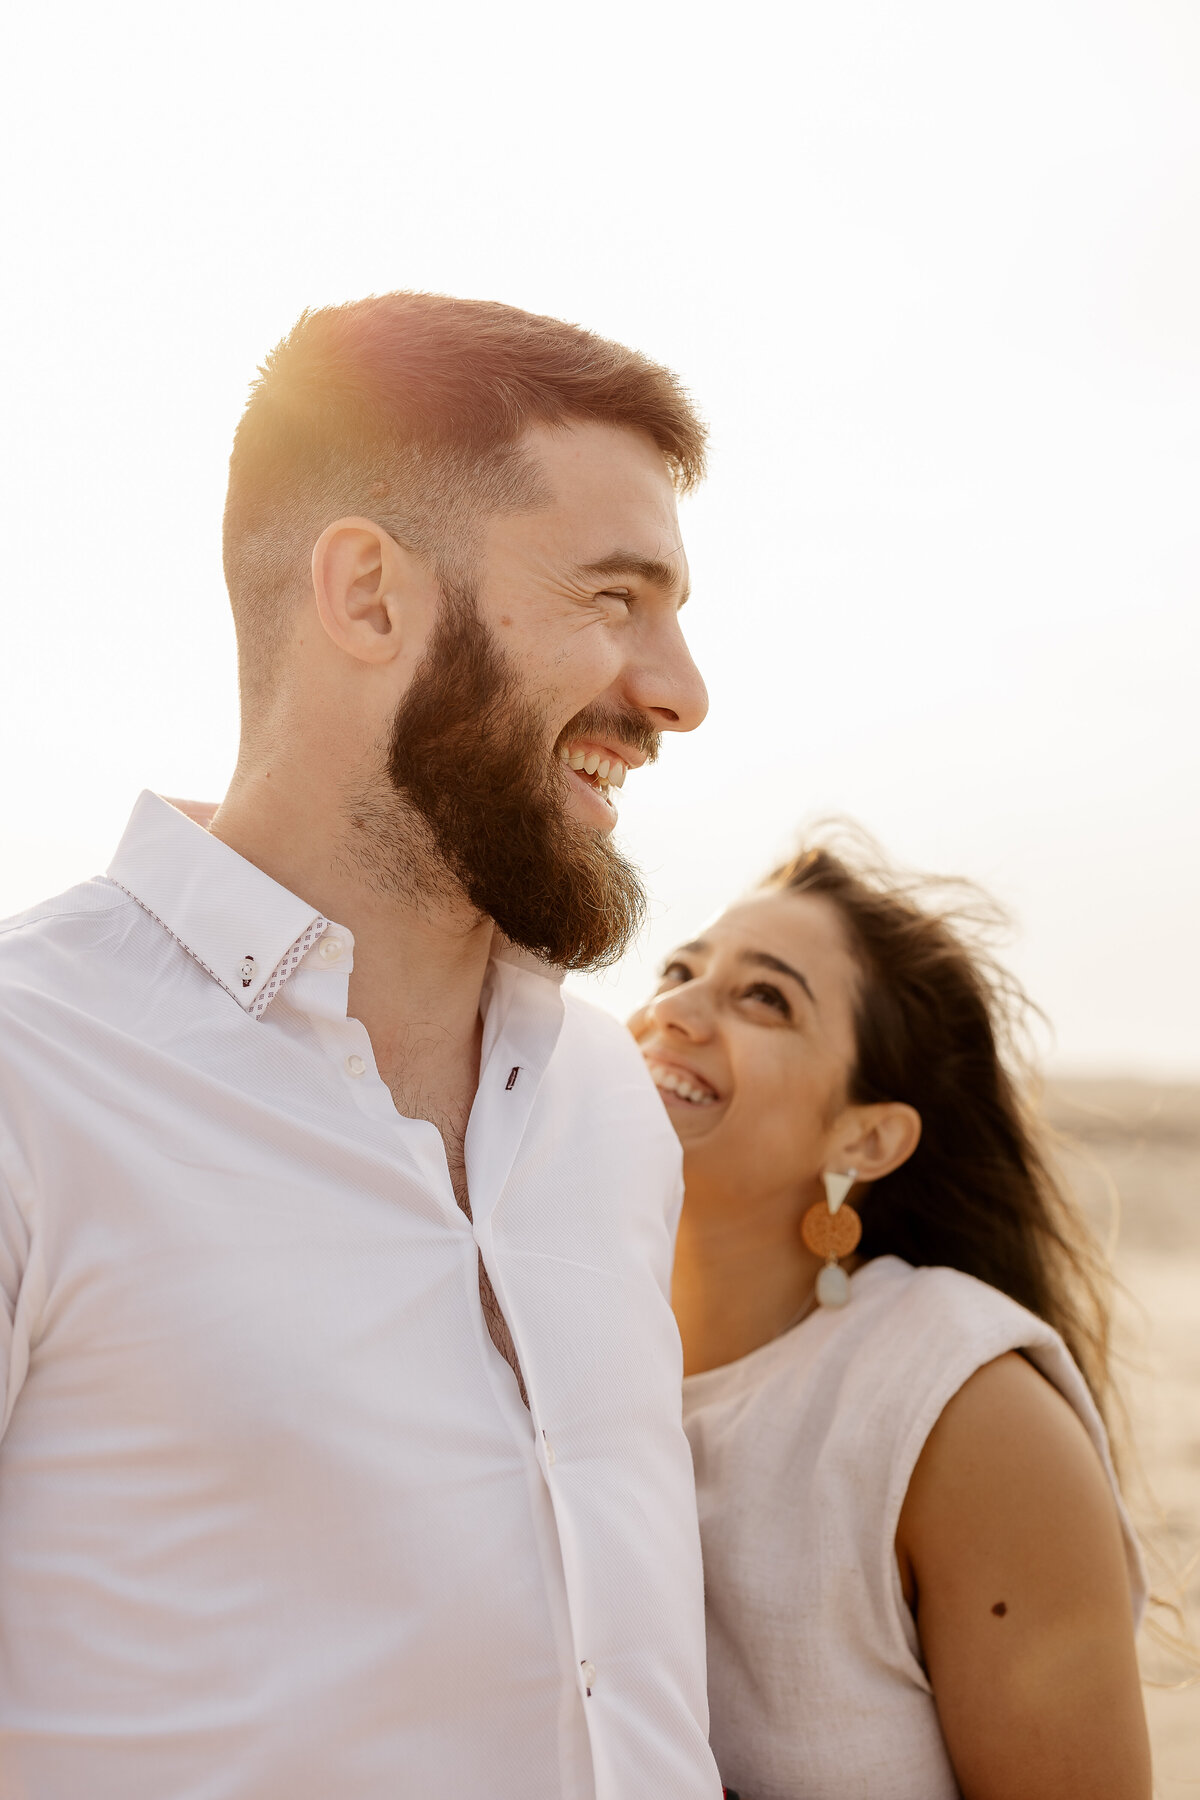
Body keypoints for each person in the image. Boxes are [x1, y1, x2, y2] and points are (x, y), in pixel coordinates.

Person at [0, 294, 724, 1798]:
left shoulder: (606, 1104)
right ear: (370, 596)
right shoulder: (30, 1073)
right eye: (614, 599)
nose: (678, 693)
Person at [630, 836, 1152, 1800]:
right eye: (678, 970)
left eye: (764, 997)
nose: (673, 1011)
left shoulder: (956, 1403)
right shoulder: (544, 1341)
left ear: (864, 1137)